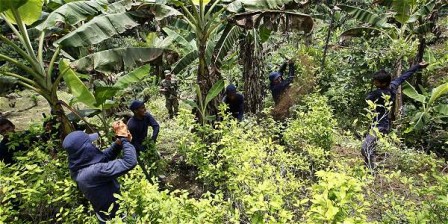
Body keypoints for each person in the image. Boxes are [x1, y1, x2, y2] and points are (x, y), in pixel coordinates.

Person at [62, 124, 137, 223]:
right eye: (91, 143)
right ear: (85, 149)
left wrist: (118, 143)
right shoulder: (93, 172)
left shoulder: (76, 166)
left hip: (103, 214)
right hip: (115, 219)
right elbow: (129, 162)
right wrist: (124, 139)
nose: (94, 145)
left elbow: (102, 158)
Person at [361, 61, 429, 169]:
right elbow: (404, 76)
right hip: (381, 124)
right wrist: (418, 66)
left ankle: (372, 170)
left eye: (376, 81)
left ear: (383, 83)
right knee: (370, 147)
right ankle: (368, 167)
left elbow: (367, 99)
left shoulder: (378, 93)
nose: (374, 82)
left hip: (380, 126)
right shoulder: (392, 86)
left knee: (365, 147)